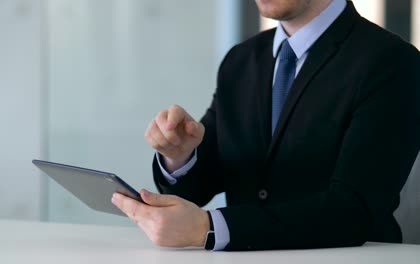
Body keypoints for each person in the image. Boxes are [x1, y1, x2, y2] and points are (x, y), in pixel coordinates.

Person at [112, 0, 420, 251]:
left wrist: (208, 227)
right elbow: (203, 184)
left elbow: (354, 210)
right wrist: (179, 157)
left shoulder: (392, 62)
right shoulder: (241, 60)